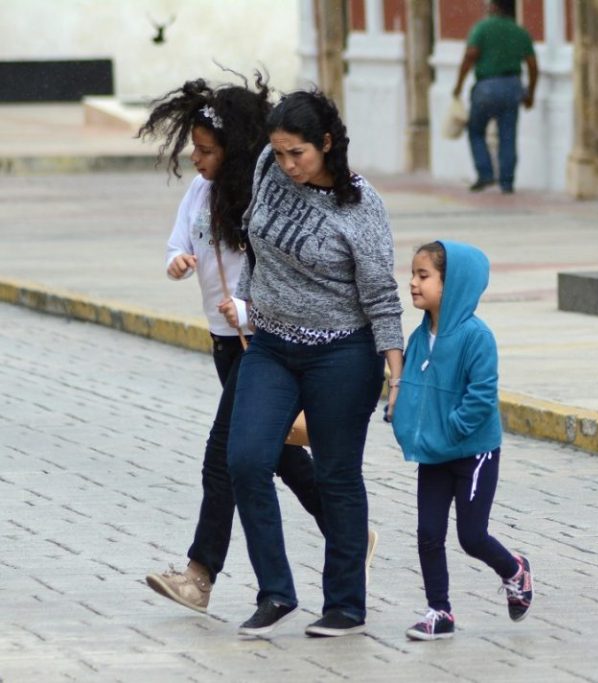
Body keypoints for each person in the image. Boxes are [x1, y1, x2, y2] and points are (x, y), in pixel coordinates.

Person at [137, 74, 327, 614]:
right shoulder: (200, 193)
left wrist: (249, 307)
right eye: (193, 149)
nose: (195, 159)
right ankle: (350, 533)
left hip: (261, 342)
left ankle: (199, 576)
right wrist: (177, 263)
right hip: (224, 342)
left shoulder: (262, 199)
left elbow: (284, 271)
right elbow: (177, 244)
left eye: (206, 150)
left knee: (222, 455)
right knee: (279, 454)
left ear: (234, 150)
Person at [227, 90, 404, 638]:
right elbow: (253, 243)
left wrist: (395, 370)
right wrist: (244, 302)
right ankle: (276, 592)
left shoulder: (362, 206)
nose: (285, 165)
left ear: (326, 144)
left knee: (337, 473)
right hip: (272, 346)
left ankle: (346, 605)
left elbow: (380, 293)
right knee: (247, 460)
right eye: (279, 153)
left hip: (342, 353)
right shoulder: (267, 166)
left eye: (296, 154)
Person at [389, 240, 532, 641]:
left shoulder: (476, 337)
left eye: (423, 275)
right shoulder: (419, 336)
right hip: (434, 453)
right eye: (413, 275)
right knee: (428, 533)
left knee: (471, 536)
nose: (413, 283)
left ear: (452, 285)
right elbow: (413, 390)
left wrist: (450, 429)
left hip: (473, 452)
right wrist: (406, 424)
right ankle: (440, 611)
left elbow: (482, 397)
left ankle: (514, 569)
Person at [452, 0, 539, 194]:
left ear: (494, 7)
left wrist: (458, 85)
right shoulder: (520, 32)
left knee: (475, 130)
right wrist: (530, 93)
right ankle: (507, 182)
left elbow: (470, 55)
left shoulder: (482, 28)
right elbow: (532, 65)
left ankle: (485, 173)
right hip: (512, 86)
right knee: (508, 135)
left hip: (486, 86)